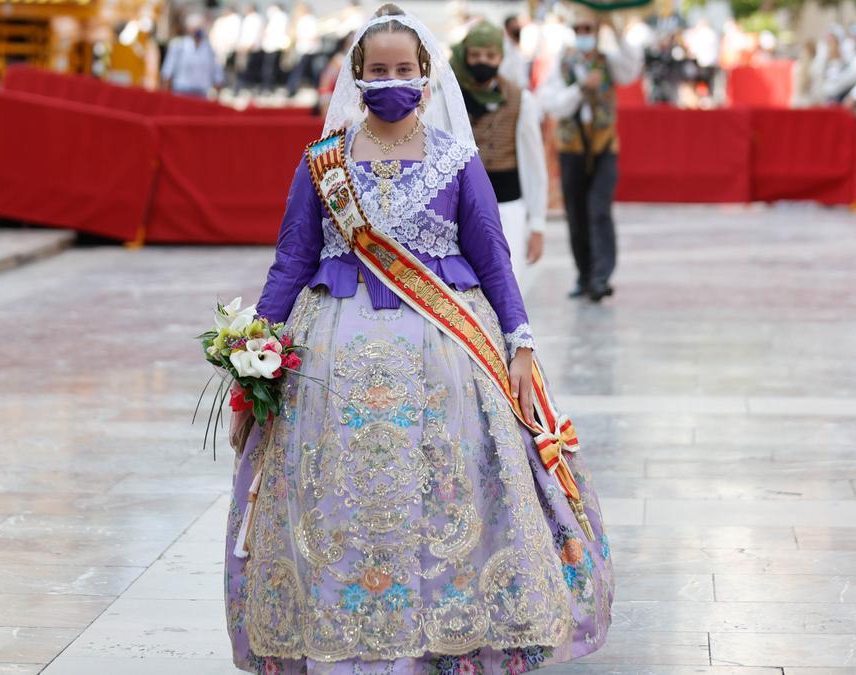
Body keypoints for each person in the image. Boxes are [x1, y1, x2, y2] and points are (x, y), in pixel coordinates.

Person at [224, 4, 613, 672]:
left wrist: (520, 344)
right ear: (356, 77)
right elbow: (292, 260)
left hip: (448, 353)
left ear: (428, 78)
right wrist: (251, 357)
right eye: (378, 70)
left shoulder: (457, 162)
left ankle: (449, 632)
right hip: (330, 360)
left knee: (448, 487)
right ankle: (337, 626)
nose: (391, 80)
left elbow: (492, 259)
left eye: (404, 68)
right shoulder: (325, 163)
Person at [539, 11, 641, 302]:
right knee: (576, 212)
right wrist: (581, 88)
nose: (584, 33)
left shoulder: (609, 61)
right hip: (572, 147)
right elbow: (553, 103)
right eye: (579, 28)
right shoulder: (563, 63)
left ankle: (601, 276)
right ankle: (584, 274)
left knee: (598, 207)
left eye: (589, 28)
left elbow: (632, 68)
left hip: (603, 145)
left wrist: (617, 30)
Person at [451, 20, 548, 289]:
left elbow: (533, 164)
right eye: (475, 55)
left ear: (500, 58)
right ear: (465, 55)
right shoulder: (449, 97)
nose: (482, 61)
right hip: (460, 207)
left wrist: (537, 224)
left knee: (507, 283)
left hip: (508, 206)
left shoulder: (520, 99)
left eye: (490, 56)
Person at [160, 15, 224, 98]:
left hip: (201, 94)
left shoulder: (210, 49)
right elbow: (167, 71)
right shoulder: (179, 45)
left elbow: (217, 75)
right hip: (180, 91)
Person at [823, 22, 856, 103]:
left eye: (855, 37)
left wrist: (828, 90)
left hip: (848, 99)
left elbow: (847, 79)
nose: (853, 40)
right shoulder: (855, 53)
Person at [284, 1, 318, 97]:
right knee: (307, 70)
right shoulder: (300, 20)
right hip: (303, 49)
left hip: (307, 49)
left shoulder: (310, 20)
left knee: (300, 70)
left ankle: (292, 88)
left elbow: (312, 36)